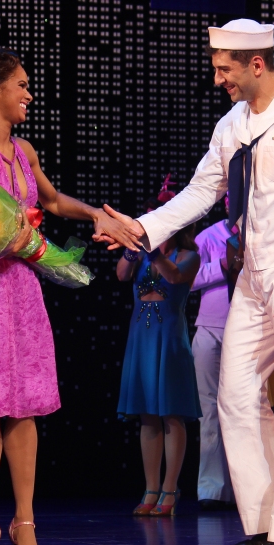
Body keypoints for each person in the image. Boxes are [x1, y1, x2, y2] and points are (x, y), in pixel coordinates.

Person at [99, 19, 274, 545]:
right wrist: (140, 229)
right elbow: (200, 193)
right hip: (254, 280)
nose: (218, 80)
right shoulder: (233, 124)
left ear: (256, 64)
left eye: (223, 69)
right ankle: (264, 521)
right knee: (233, 398)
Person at [0, 46, 135, 545]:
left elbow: (48, 201)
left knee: (23, 406)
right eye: (21, 84)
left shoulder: (24, 151)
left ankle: (25, 520)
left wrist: (95, 213)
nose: (29, 93)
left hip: (21, 293)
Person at [116, 193, 201, 517]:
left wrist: (150, 253)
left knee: (171, 413)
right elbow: (121, 274)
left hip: (169, 339)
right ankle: (150, 488)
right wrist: (131, 249)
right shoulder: (141, 256)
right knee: (147, 415)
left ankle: (170, 487)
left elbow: (175, 277)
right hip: (141, 338)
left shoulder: (188, 255)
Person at [190, 194, 236, 511]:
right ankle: (211, 490)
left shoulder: (264, 231)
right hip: (209, 328)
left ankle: (246, 491)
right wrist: (222, 266)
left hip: (249, 331)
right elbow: (186, 278)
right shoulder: (209, 236)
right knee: (208, 410)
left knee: (244, 412)